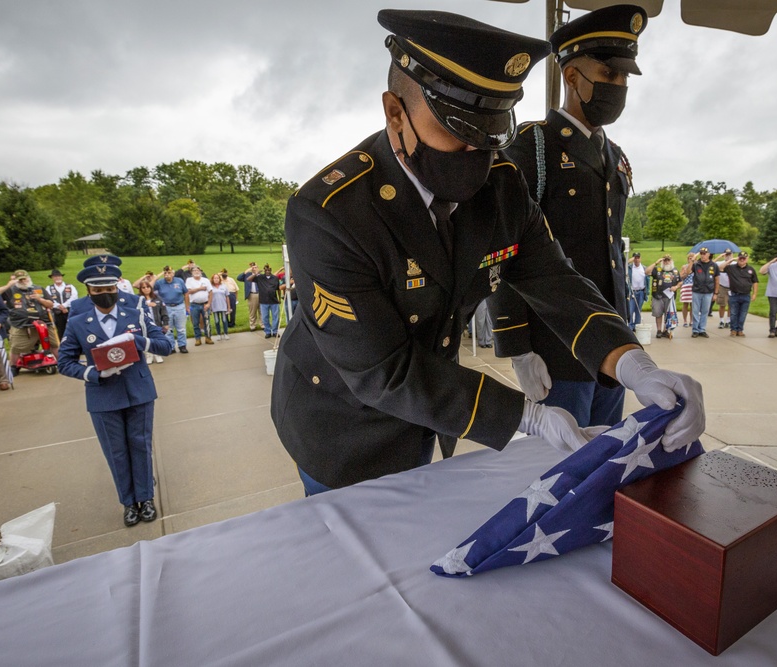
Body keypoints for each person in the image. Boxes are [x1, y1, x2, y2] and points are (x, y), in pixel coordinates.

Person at [270, 9, 704, 494]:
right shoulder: (331, 213)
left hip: (432, 408)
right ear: (396, 112)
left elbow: (555, 281)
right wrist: (526, 415)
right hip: (340, 422)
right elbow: (383, 371)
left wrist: (631, 363)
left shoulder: (501, 186)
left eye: (494, 134)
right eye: (459, 132)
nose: (480, 156)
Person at [487, 5, 639, 428]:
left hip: (611, 342)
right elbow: (503, 247)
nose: (620, 86)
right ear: (573, 77)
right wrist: (516, 344)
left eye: (625, 78)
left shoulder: (615, 156)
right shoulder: (532, 147)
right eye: (610, 75)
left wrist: (623, 333)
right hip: (556, 346)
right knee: (561, 474)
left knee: (607, 462)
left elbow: (611, 254)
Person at [57, 256, 172, 526]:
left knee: (140, 446)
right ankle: (128, 502)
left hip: (138, 390)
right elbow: (64, 362)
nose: (106, 294)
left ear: (117, 287)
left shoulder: (135, 314)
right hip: (102, 395)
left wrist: (137, 339)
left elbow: (164, 345)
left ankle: (145, 498)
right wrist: (93, 373)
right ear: (89, 291)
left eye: (110, 288)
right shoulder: (78, 322)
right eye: (98, 290)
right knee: (115, 451)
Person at [2, 269, 60, 367]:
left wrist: (39, 298)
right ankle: (13, 366)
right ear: (15, 281)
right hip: (21, 323)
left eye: (25, 279)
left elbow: (50, 304)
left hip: (44, 322)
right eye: (20, 280)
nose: (23, 281)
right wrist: (8, 285)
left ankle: (63, 363)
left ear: (29, 277)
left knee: (54, 343)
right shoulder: (10, 291)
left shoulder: (39, 289)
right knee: (16, 346)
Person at [153, 265, 189, 353]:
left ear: (173, 273)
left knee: (181, 328)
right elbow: (150, 288)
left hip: (179, 306)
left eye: (169, 273)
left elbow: (186, 293)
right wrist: (156, 277)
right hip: (166, 308)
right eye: (165, 273)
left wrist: (187, 307)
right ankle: (171, 347)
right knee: (168, 329)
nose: (167, 275)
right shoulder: (160, 283)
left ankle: (182, 345)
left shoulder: (179, 281)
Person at [684, 247, 719, 338]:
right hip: (697, 291)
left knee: (705, 311)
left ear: (708, 254)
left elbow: (717, 279)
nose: (703, 255)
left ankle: (702, 329)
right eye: (701, 253)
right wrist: (692, 261)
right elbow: (687, 272)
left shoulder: (714, 265)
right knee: (695, 311)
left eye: (704, 254)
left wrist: (716, 293)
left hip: (708, 291)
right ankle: (695, 329)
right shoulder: (696, 264)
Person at [724, 251, 759, 336]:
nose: (742, 260)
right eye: (740, 258)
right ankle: (733, 329)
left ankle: (740, 330)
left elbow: (755, 282)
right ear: (738, 258)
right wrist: (731, 259)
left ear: (747, 259)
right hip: (734, 294)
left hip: (746, 295)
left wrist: (754, 294)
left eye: (744, 258)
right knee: (733, 313)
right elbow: (720, 267)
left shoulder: (750, 269)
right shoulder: (731, 268)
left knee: (743, 314)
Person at [646, 254, 680, 339]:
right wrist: (656, 263)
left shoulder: (675, 271)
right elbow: (646, 272)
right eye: (665, 260)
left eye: (668, 260)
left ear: (671, 261)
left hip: (670, 296)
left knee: (668, 314)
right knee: (658, 314)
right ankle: (659, 330)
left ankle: (665, 330)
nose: (666, 262)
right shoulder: (657, 270)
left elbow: (680, 282)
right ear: (662, 261)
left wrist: (676, 287)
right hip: (658, 295)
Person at [248, 264, 282, 338]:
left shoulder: (275, 278)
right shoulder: (260, 277)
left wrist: (279, 299)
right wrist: (256, 273)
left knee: (275, 317)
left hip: (274, 301)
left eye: (269, 269)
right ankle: (268, 331)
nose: (267, 271)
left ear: (271, 270)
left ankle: (275, 331)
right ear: (264, 270)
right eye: (266, 270)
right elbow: (249, 279)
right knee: (265, 317)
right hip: (264, 301)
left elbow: (278, 289)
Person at [137, 281, 168, 363]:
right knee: (146, 339)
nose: (146, 289)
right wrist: (147, 305)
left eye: (148, 287)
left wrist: (165, 323)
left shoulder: (157, 298)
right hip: (144, 324)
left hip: (156, 323)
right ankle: (148, 356)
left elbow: (163, 311)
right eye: (143, 288)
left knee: (156, 339)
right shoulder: (138, 299)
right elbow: (135, 310)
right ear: (141, 289)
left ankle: (158, 355)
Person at [45, 269, 77, 339]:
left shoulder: (70, 286)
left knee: (72, 328)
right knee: (60, 330)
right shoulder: (49, 288)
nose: (57, 278)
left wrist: (64, 305)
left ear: (61, 277)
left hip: (69, 310)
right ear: (52, 278)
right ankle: (62, 345)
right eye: (55, 277)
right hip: (57, 312)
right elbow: (49, 299)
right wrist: (60, 306)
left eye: (59, 276)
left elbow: (74, 297)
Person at [186, 266, 214, 346]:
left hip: (205, 304)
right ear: (191, 272)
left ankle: (208, 338)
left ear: (201, 272)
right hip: (194, 305)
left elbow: (211, 292)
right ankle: (197, 339)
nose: (196, 272)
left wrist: (209, 303)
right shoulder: (189, 280)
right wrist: (200, 288)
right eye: (194, 270)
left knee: (207, 322)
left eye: (198, 270)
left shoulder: (206, 280)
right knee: (195, 323)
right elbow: (189, 292)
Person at [627, 252, 648, 332]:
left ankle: (637, 325)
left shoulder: (644, 268)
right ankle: (630, 326)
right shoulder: (629, 268)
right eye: (635, 258)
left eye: (638, 257)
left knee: (638, 310)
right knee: (630, 309)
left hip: (641, 291)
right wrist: (629, 261)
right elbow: (623, 266)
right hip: (632, 291)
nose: (637, 259)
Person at [238, 263, 262, 331]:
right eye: (253, 267)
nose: (254, 269)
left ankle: (262, 324)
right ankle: (252, 325)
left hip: (261, 294)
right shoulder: (247, 275)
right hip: (252, 294)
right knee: (252, 311)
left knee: (262, 310)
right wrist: (247, 271)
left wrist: (257, 272)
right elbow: (239, 278)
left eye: (255, 267)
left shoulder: (260, 275)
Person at [209, 273, 230, 341]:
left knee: (224, 320)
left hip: (223, 306)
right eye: (214, 278)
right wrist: (210, 307)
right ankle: (218, 334)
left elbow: (227, 296)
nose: (216, 279)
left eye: (217, 278)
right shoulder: (211, 287)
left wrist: (228, 307)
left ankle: (226, 333)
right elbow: (209, 297)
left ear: (219, 279)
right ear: (212, 279)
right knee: (217, 321)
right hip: (215, 306)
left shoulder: (223, 286)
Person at [715, 249, 734, 328]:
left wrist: (732, 259)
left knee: (731, 305)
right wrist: (720, 257)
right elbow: (712, 263)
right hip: (722, 286)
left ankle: (728, 320)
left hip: (732, 287)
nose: (728, 256)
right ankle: (721, 320)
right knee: (722, 304)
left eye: (729, 254)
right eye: (726, 254)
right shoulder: (720, 263)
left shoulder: (735, 263)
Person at [678, 252, 694, 328]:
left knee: (693, 305)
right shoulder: (684, 267)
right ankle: (685, 321)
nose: (690, 259)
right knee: (685, 304)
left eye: (692, 258)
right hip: (686, 286)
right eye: (689, 258)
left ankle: (691, 320)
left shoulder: (696, 266)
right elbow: (680, 277)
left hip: (694, 286)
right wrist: (685, 273)